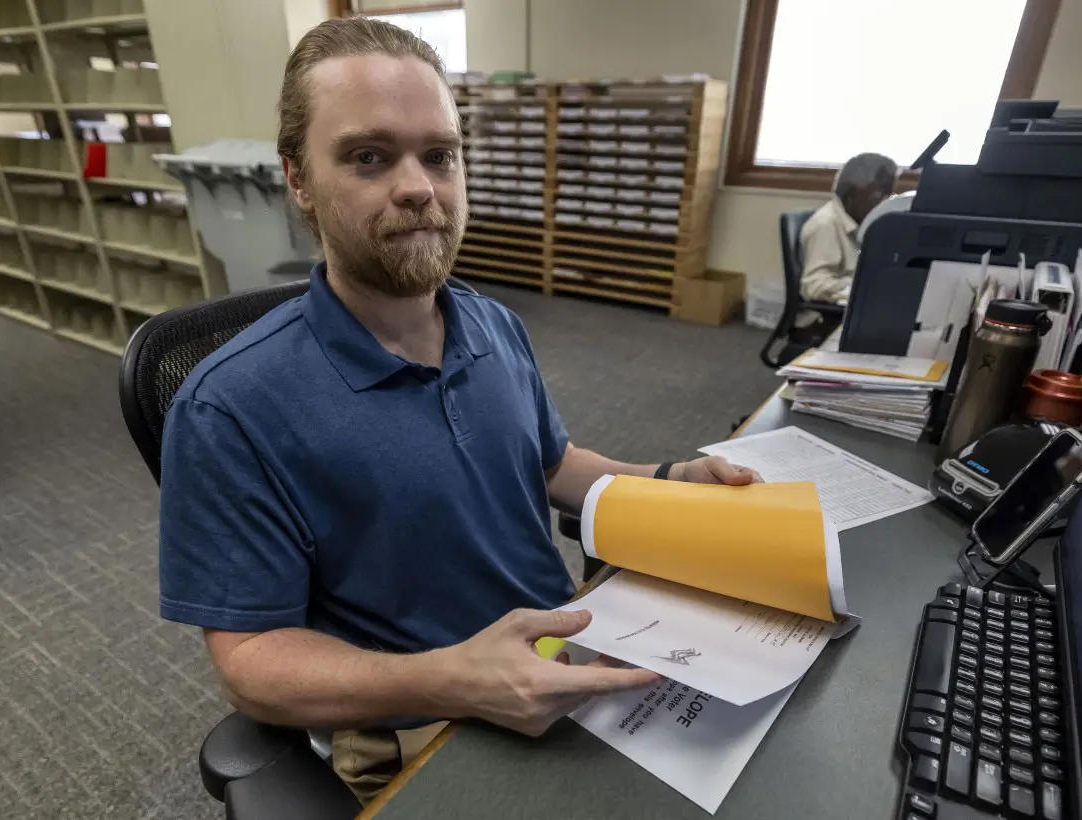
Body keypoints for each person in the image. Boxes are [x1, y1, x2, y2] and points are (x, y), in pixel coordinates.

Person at [157, 15, 763, 805]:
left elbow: (551, 465)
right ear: (298, 178)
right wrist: (457, 682)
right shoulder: (228, 407)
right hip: (426, 724)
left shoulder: (493, 325)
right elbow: (252, 667)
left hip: (574, 655)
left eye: (439, 155)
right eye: (369, 156)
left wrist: (670, 478)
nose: (418, 185)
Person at [793, 152, 898, 344]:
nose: (884, 202)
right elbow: (813, 285)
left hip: (851, 310)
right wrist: (860, 288)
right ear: (853, 193)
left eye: (889, 195)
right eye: (878, 194)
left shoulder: (861, 222)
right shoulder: (826, 225)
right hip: (824, 320)